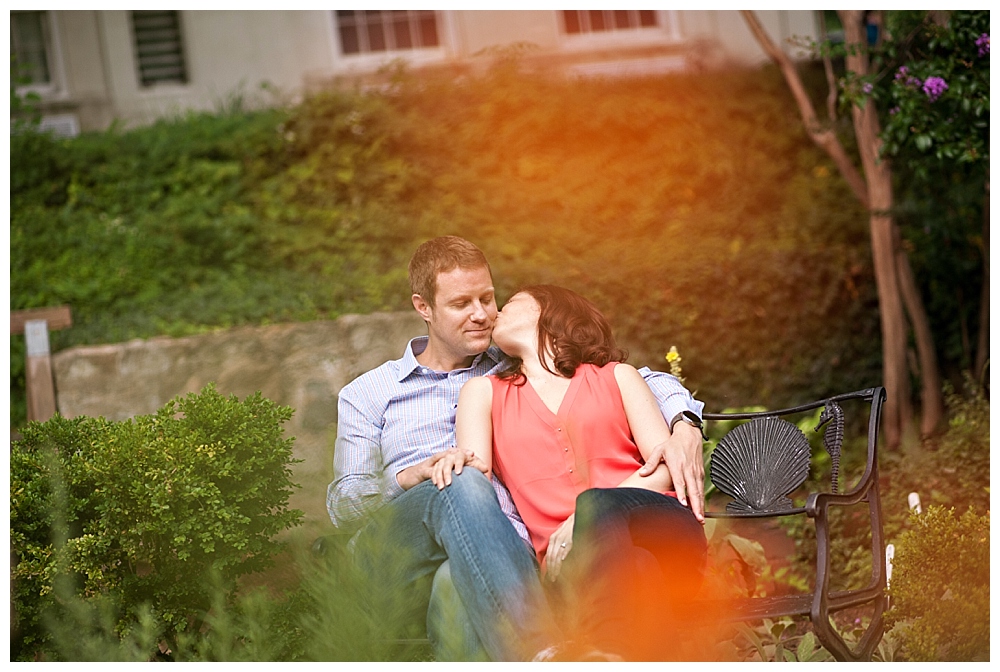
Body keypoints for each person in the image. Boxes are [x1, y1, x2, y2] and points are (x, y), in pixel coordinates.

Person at [327, 236, 705, 661]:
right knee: (461, 481)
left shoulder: (507, 366)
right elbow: (345, 504)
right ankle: (541, 654)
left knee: (456, 581)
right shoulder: (368, 393)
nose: (482, 314)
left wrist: (685, 423)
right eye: (461, 304)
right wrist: (411, 476)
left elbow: (634, 375)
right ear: (423, 307)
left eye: (489, 298)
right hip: (399, 550)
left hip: (500, 555)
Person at [433, 284, 708, 661]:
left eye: (511, 302)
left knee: (599, 508)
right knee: (639, 569)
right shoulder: (482, 393)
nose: (495, 312)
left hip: (664, 530)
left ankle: (603, 653)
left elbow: (665, 467)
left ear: (549, 311)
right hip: (570, 570)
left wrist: (586, 517)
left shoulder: (617, 377)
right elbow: (476, 486)